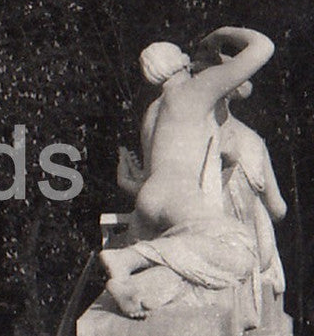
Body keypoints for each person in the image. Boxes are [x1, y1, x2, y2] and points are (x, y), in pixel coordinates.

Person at [98, 28, 275, 318]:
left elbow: (154, 179)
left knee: (189, 261)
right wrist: (221, 34)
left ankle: (137, 289)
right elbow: (263, 46)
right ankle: (129, 258)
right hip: (179, 196)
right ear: (180, 63)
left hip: (150, 199)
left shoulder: (153, 111)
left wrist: (126, 183)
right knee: (244, 251)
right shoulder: (197, 88)